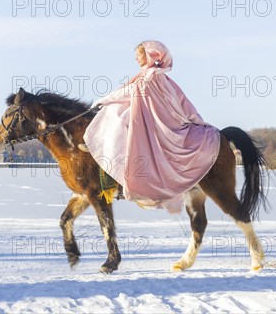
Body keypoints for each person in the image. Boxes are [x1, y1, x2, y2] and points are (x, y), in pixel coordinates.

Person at [81, 41, 221, 213]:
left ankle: (109, 155)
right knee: (118, 110)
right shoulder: (154, 75)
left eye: (139, 54)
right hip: (152, 116)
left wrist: (104, 100)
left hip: (158, 122)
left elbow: (130, 92)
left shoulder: (151, 76)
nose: (136, 58)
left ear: (150, 55)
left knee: (115, 112)